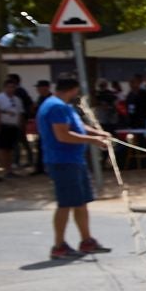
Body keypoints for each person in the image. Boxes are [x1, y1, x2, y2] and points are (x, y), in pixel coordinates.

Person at [37, 77, 113, 259]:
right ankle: (58, 245)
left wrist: (98, 133)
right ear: (71, 90)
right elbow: (63, 135)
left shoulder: (63, 106)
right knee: (65, 204)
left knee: (80, 202)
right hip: (63, 161)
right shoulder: (56, 107)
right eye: (76, 91)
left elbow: (77, 126)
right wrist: (93, 141)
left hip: (74, 160)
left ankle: (87, 241)